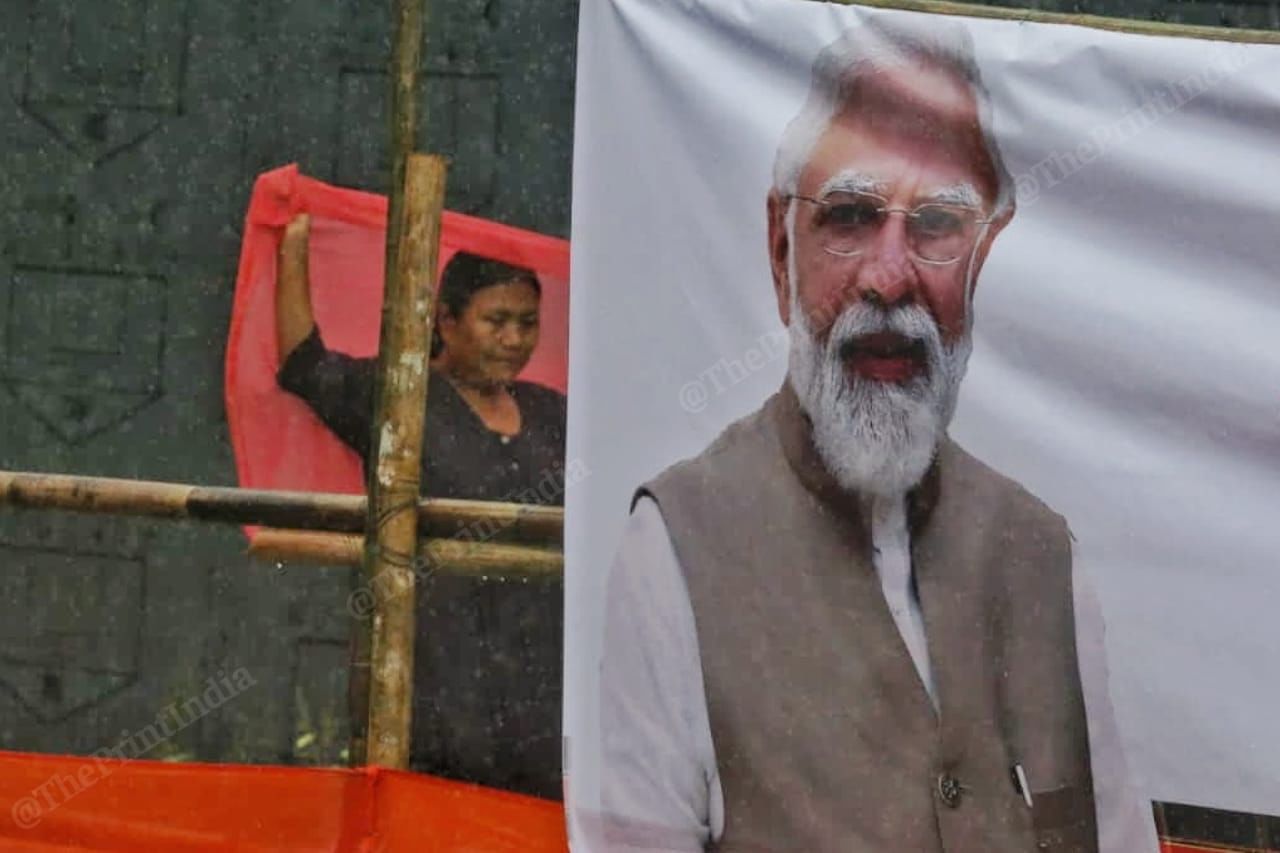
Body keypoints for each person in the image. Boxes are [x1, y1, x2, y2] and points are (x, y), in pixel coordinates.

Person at [587, 18, 1159, 853]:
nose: (890, 278)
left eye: (936, 223)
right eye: (850, 215)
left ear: (979, 260)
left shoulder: (1044, 558)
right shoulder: (676, 550)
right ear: (782, 254)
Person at [275, 214, 566, 799]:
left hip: (539, 671)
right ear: (447, 321)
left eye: (527, 324)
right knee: (430, 800)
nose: (514, 340)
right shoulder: (401, 400)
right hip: (434, 662)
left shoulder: (554, 415)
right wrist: (295, 244)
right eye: (496, 321)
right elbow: (302, 365)